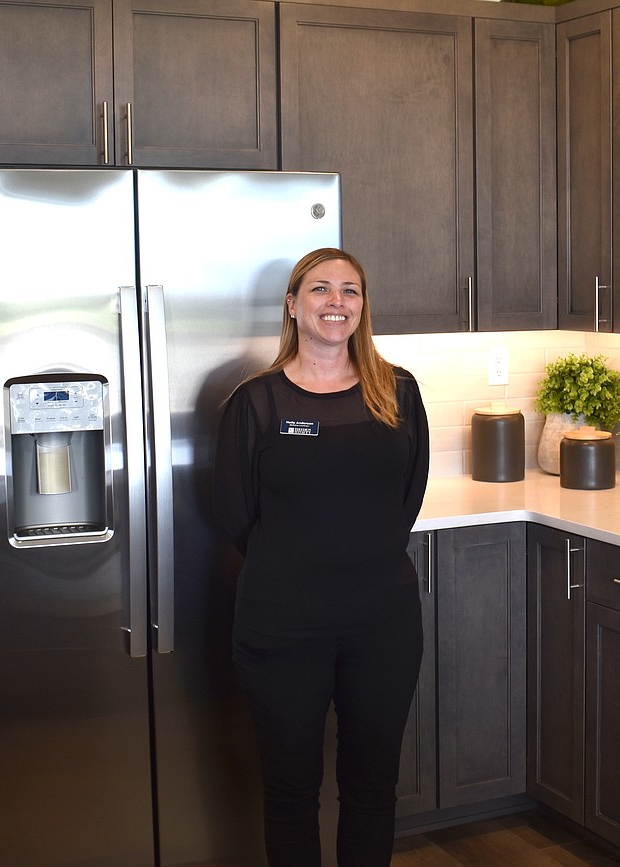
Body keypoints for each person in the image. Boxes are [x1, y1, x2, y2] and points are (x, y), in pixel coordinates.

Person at [213, 247, 430, 866]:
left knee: (371, 788)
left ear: (363, 307)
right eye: (320, 289)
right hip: (280, 626)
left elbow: (408, 495)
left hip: (382, 624)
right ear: (293, 305)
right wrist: (302, 561)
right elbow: (233, 512)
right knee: (290, 791)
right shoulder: (255, 404)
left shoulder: (399, 392)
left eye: (350, 291)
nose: (336, 303)